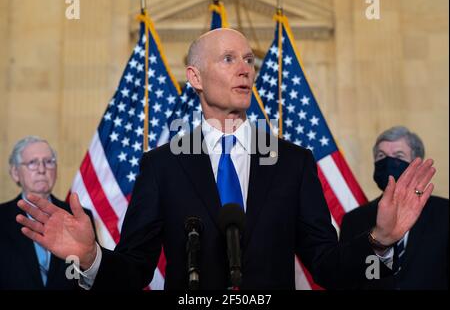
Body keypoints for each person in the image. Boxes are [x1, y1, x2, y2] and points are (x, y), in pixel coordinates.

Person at [16, 29, 437, 290]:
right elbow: (134, 271)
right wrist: (90, 258)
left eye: (249, 60)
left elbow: (327, 267)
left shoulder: (293, 163)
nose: (245, 70)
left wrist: (379, 241)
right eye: (229, 59)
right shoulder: (162, 166)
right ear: (195, 78)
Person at [340, 126, 448, 290]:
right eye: (381, 156)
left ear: (416, 164)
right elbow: (350, 279)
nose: (388, 162)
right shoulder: (354, 220)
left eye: (398, 156)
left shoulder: (445, 213)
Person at [0, 136, 95, 290]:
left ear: (56, 170)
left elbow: (90, 280)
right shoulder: (2, 218)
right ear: (15, 173)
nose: (42, 169)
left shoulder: (80, 217)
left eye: (49, 162)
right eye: (32, 163)